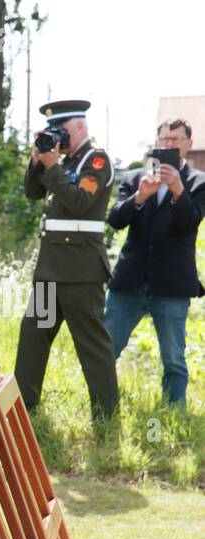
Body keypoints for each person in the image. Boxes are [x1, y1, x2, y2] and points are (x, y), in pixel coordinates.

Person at [14, 99, 119, 418]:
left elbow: (78, 202)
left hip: (82, 273)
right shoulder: (61, 162)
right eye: (51, 132)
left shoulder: (96, 160)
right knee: (33, 338)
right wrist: (38, 158)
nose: (56, 138)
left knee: (92, 346)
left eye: (60, 131)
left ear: (80, 127)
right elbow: (32, 193)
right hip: (50, 271)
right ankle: (24, 410)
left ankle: (106, 416)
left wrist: (53, 164)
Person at [104, 118, 205, 406]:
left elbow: (190, 222)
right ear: (156, 142)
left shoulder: (199, 182)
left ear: (188, 143)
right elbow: (115, 220)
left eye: (176, 140)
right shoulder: (136, 178)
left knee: (174, 359)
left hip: (172, 284)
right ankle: (104, 407)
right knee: (106, 350)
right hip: (129, 280)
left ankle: (174, 415)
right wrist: (140, 196)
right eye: (165, 139)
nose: (170, 144)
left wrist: (177, 190)